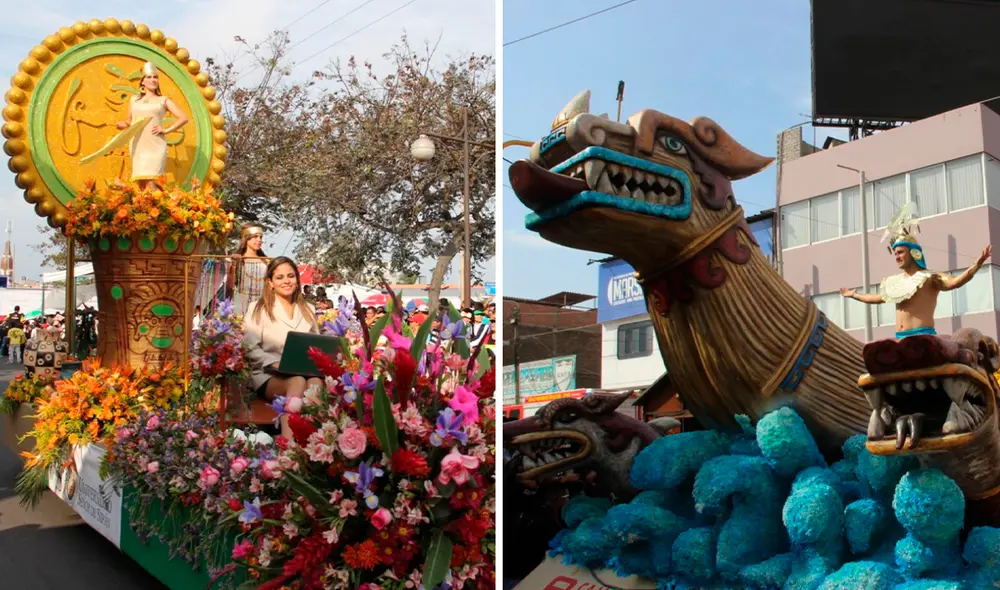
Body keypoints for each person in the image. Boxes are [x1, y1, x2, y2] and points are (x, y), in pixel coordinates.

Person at [840, 205, 991, 339]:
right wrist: (854, 295)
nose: (897, 257)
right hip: (899, 338)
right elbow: (878, 298)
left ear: (914, 253)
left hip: (923, 338)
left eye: (900, 252)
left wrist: (976, 265)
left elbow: (955, 282)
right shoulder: (895, 282)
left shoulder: (930, 277)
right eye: (895, 254)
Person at [242, 257, 322, 438]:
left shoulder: (308, 309)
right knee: (297, 381)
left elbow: (316, 344)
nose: (286, 281)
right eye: (280, 277)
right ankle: (289, 448)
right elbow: (250, 348)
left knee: (315, 383)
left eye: (290, 276)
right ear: (270, 282)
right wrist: (275, 363)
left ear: (297, 279)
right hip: (267, 374)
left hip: (302, 371)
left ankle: (314, 443)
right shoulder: (258, 308)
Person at [114, 61, 189, 189]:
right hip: (138, 143)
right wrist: (124, 124)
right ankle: (145, 208)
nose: (153, 80)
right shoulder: (134, 100)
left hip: (155, 143)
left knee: (152, 182)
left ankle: (159, 208)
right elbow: (130, 120)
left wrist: (166, 130)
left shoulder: (163, 100)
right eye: (149, 77)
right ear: (142, 81)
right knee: (141, 183)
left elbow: (183, 118)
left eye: (155, 77)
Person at [227, 225, 269, 316]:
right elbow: (230, 285)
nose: (259, 240)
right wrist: (234, 264)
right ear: (246, 238)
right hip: (241, 304)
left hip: (262, 304)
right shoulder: (237, 259)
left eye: (260, 237)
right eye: (255, 237)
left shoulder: (267, 261)